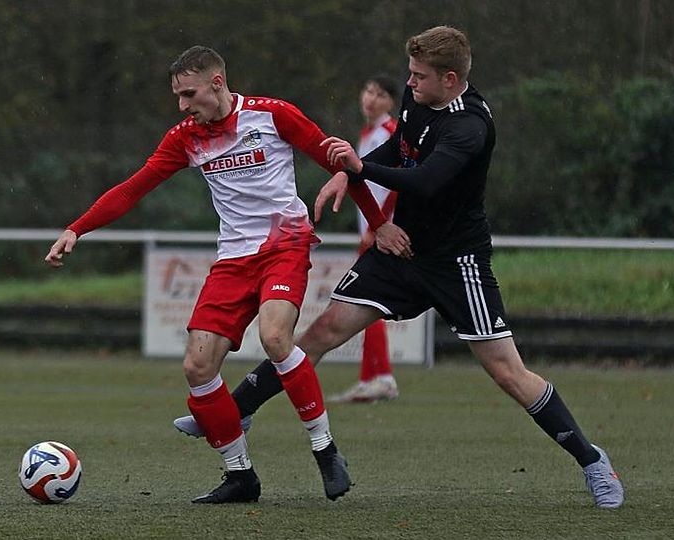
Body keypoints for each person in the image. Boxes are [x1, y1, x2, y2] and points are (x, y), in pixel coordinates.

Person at [174, 27, 625, 509]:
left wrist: (357, 170)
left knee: (509, 373)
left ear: (450, 79)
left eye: (418, 76)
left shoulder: (470, 125)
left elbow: (426, 181)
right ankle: (237, 410)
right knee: (320, 333)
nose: (407, 84)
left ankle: (592, 460)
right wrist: (350, 171)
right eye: (409, 74)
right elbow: (399, 151)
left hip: (457, 264)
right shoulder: (418, 103)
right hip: (400, 253)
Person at [45, 45, 404, 504]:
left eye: (188, 93)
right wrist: (78, 229)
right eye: (177, 96)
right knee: (197, 366)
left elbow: (344, 165)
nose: (182, 105)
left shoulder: (274, 115)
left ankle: (325, 451)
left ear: (217, 83)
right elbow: (133, 188)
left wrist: (379, 224)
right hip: (233, 260)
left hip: (284, 247)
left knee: (276, 338)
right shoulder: (185, 138)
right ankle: (240, 476)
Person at [328, 75, 401, 403]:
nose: (371, 98)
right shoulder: (367, 134)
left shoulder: (389, 133)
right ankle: (373, 377)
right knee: (366, 302)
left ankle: (380, 377)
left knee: (365, 302)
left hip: (382, 232)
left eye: (380, 94)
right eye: (368, 90)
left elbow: (399, 183)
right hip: (372, 231)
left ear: (390, 103)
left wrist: (379, 223)